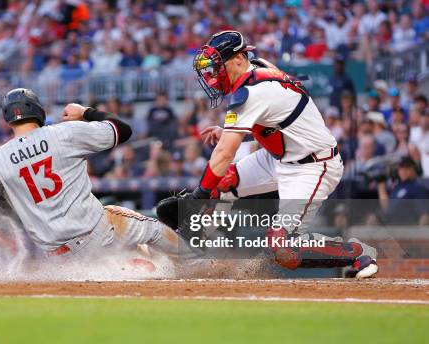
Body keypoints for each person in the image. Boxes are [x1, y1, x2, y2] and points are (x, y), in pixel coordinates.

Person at [158, 31, 378, 278]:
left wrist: (198, 197)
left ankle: (356, 252)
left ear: (240, 59)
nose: (213, 75)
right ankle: (189, 247)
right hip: (281, 155)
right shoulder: (257, 68)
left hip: (312, 165)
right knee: (223, 182)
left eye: (218, 65)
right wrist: (231, 130)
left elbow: (224, 153)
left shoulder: (251, 91)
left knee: (283, 247)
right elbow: (277, 121)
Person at [0, 88, 192, 276]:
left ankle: (128, 267)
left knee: (104, 260)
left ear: (7, 119)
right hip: (97, 230)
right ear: (37, 110)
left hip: (58, 254)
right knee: (152, 229)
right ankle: (197, 261)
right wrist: (86, 112)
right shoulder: (64, 133)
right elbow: (124, 130)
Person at [377, 157, 428, 225]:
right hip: (391, 228)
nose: (403, 171)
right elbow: (387, 208)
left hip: (407, 229)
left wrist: (419, 233)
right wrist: (381, 187)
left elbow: (425, 214)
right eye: (400, 168)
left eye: (407, 167)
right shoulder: (397, 187)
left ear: (414, 169)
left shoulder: (418, 188)